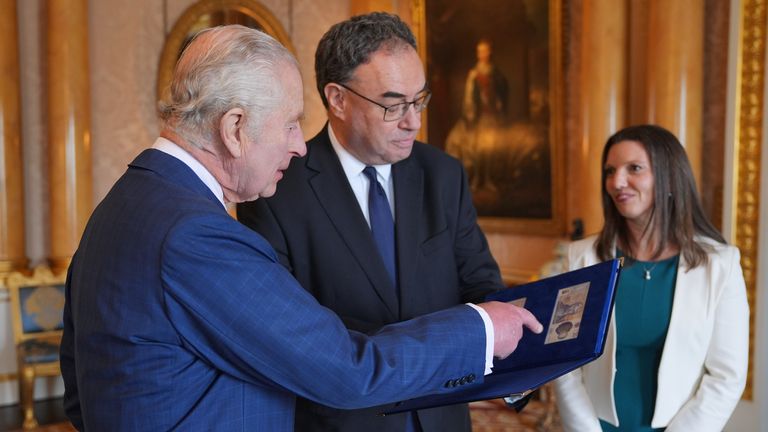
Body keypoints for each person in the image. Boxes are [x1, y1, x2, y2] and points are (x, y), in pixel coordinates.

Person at [59, 25, 545, 431]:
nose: (298, 145)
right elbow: (346, 369)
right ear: (234, 129)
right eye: (290, 124)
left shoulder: (122, 206)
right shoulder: (196, 236)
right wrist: (479, 328)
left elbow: (81, 394)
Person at [236, 13, 509, 432]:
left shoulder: (443, 174)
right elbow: (291, 336)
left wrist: (519, 361)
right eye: (393, 104)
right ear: (337, 99)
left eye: (419, 100)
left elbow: (481, 287)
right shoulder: (277, 190)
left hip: (443, 418)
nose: (413, 121)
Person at [554, 124, 749, 432]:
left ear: (669, 177)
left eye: (634, 168)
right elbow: (563, 361)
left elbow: (727, 376)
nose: (617, 182)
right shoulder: (581, 258)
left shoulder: (720, 264)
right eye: (610, 171)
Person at [445, 39, 509, 195]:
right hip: (478, 118)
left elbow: (502, 92)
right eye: (480, 51)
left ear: (489, 52)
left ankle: (489, 180)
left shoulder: (495, 73)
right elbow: (469, 97)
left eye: (485, 51)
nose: (482, 54)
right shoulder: (473, 74)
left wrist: (499, 104)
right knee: (477, 149)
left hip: (491, 116)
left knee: (491, 150)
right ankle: (477, 179)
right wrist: (470, 114)